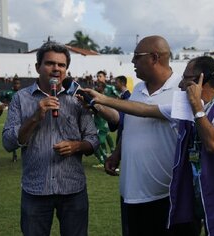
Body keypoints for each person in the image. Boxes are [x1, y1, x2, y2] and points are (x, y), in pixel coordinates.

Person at [83, 55, 214, 236]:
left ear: (200, 81)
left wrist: (197, 108)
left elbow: (213, 143)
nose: (180, 84)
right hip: (213, 200)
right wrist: (102, 99)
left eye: (185, 79)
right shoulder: (188, 106)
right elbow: (146, 110)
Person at [82, 35, 197, 236]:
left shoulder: (182, 89)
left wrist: (105, 99)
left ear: (154, 58)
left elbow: (145, 110)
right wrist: (117, 153)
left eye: (137, 56)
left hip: (166, 196)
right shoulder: (138, 89)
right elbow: (130, 123)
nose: (133, 62)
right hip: (131, 192)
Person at [2, 41, 99, 236]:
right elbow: (8, 142)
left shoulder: (77, 99)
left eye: (61, 65)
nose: (56, 68)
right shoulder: (20, 98)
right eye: (50, 63)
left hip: (73, 189)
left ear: (66, 69)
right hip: (36, 189)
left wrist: (77, 146)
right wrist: (35, 118)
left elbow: (93, 140)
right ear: (38, 67)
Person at [0, 77, 21, 162]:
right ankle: (14, 154)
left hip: (22, 116)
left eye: (18, 84)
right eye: (15, 83)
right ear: (13, 84)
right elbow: (0, 97)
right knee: (12, 134)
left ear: (20, 85)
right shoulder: (8, 92)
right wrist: (5, 102)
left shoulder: (22, 93)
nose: (16, 85)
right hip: (11, 116)